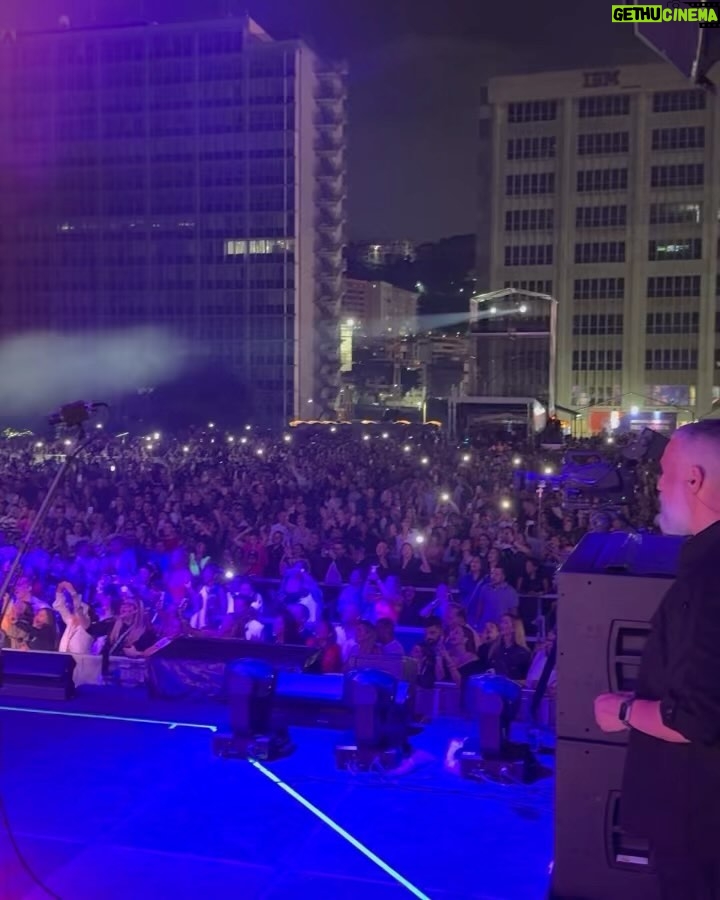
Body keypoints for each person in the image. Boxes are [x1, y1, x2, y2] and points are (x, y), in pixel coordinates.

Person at [594, 421, 720, 899]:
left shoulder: (708, 579)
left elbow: (695, 718)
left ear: (694, 480)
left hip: (698, 826)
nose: (659, 486)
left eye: (666, 474)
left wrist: (620, 710)